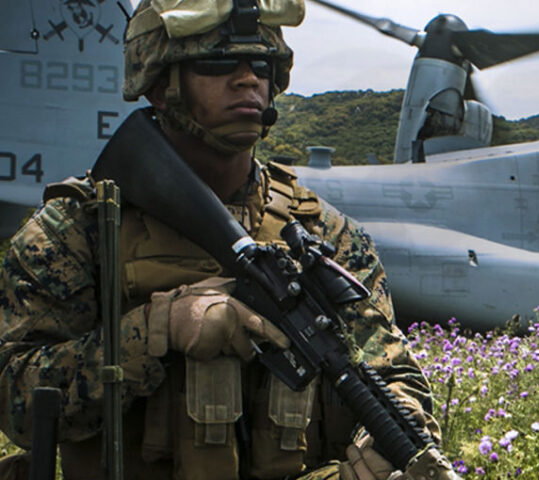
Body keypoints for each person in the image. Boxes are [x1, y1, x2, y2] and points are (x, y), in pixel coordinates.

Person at [0, 1, 456, 478]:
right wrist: (156, 331)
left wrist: (385, 445)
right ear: (160, 85)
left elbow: (392, 372)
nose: (247, 80)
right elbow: (17, 400)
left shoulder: (324, 232)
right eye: (217, 64)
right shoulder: (80, 229)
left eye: (261, 65)